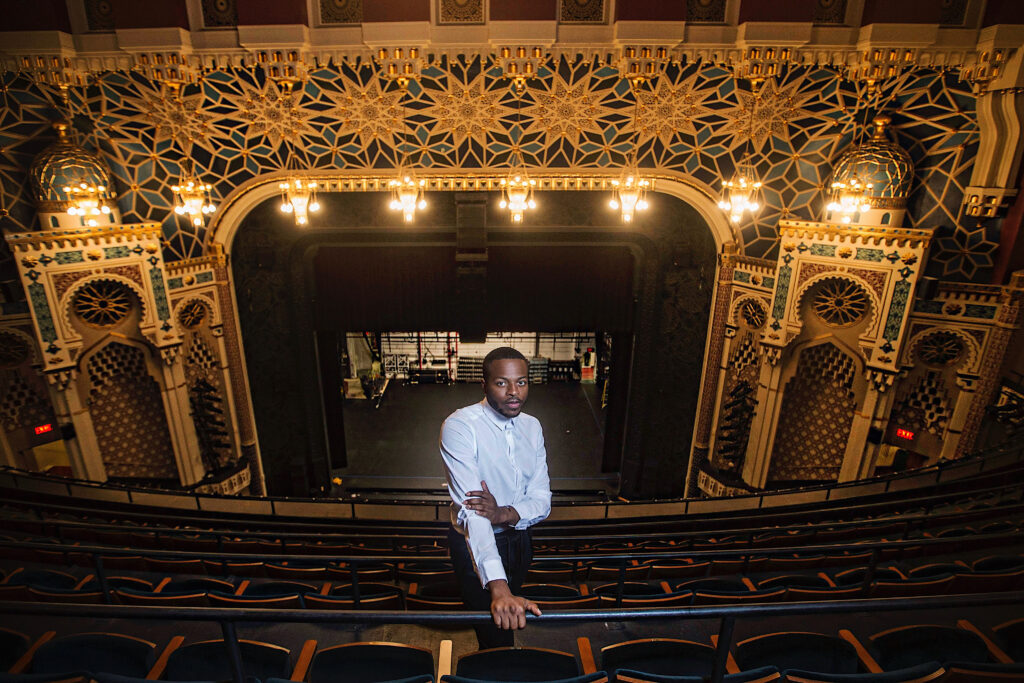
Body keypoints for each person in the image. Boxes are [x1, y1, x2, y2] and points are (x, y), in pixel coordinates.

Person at [439, 346, 551, 649]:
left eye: (522, 382)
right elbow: (474, 514)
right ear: (485, 385)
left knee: (507, 618)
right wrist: (498, 586)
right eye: (502, 383)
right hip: (475, 544)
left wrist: (504, 513)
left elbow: (542, 500)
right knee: (494, 634)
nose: (514, 392)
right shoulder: (460, 426)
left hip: (520, 541)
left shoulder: (533, 426)